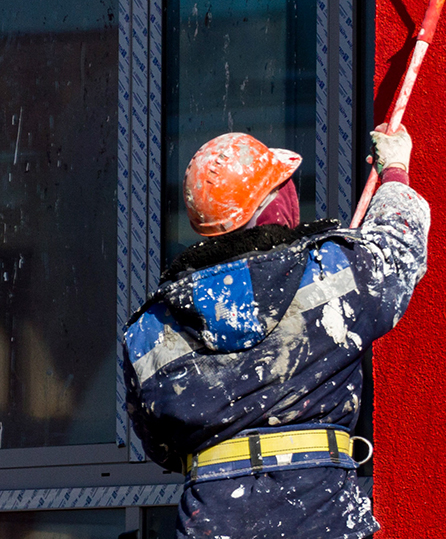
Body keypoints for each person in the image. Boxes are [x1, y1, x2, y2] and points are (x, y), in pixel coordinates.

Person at [122, 123, 427, 538]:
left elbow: (159, 446)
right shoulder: (327, 273)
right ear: (271, 206)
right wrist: (394, 168)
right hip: (321, 519)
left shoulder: (150, 329)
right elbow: (399, 247)